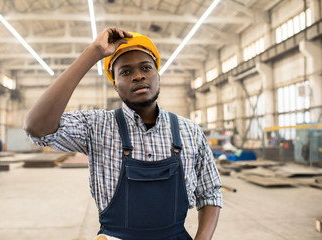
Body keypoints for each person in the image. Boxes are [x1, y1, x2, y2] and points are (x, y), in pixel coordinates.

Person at [24, 27, 222, 240]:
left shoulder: (190, 132)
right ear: (115, 85)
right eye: (125, 72)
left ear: (157, 74)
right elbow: (37, 127)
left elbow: (210, 192)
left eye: (146, 67)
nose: (138, 76)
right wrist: (93, 53)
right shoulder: (96, 126)